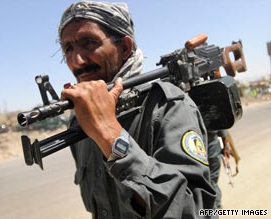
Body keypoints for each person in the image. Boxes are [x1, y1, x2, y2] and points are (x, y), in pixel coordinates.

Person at [59, 1, 216, 218]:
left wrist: (111, 136)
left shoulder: (167, 106)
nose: (77, 61)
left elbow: (198, 211)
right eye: (68, 48)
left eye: (89, 43)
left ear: (125, 47)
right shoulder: (79, 121)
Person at [208, 130, 231, 209]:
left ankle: (216, 206)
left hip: (211, 146)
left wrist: (226, 146)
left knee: (212, 179)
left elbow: (222, 126)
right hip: (196, 146)